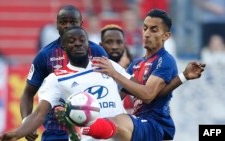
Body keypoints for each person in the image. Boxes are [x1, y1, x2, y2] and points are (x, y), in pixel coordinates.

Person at [0, 26, 205, 141]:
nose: (77, 43)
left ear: (89, 45)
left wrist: (182, 78)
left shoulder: (106, 65)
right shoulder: (55, 79)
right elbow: (39, 114)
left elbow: (145, 93)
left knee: (121, 121)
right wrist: (18, 132)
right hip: (96, 138)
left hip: (123, 134)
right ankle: (83, 129)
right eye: (72, 41)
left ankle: (83, 128)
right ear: (64, 48)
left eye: (82, 40)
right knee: (118, 122)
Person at [76, 9, 205, 141]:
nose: (147, 34)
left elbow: (148, 95)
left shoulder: (165, 60)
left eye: (153, 30)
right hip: (138, 123)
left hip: (156, 125)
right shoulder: (136, 64)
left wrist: (114, 73)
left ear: (166, 36)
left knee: (119, 121)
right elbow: (116, 97)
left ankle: (80, 130)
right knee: (109, 122)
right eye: (145, 28)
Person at [20, 5, 108, 141]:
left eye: (73, 22)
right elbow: (28, 94)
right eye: (63, 22)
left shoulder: (97, 52)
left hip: (90, 130)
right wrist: (26, 123)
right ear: (57, 24)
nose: (68, 26)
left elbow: (109, 89)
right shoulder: (45, 55)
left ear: (81, 24)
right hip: (56, 131)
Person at [100, 24, 134, 113]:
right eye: (109, 42)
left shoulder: (135, 76)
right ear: (101, 45)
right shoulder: (94, 74)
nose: (114, 47)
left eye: (119, 42)